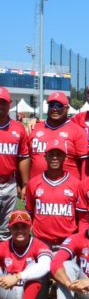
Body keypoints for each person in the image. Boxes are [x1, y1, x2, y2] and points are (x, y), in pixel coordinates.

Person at [0, 210, 52, 299]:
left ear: (31, 227)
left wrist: (17, 277)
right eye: (15, 227)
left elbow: (45, 265)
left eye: (24, 226)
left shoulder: (40, 245)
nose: (20, 231)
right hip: (10, 298)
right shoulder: (3, 246)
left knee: (36, 269)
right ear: (9, 229)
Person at [25, 139, 80, 249]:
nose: (55, 158)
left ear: (65, 157)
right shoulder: (33, 183)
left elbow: (80, 217)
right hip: (41, 242)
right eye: (51, 154)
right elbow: (30, 212)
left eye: (59, 155)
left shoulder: (76, 184)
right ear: (45, 157)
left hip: (67, 242)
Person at [28, 91, 89, 180]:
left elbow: (84, 163)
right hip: (37, 185)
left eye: (59, 105)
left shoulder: (77, 131)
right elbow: (25, 159)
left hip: (68, 186)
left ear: (67, 108)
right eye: (51, 105)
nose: (54, 109)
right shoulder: (34, 128)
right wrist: (24, 183)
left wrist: (84, 185)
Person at [0, 87, 30, 239]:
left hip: (9, 183)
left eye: (3, 102)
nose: (0, 106)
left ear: (9, 104)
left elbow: (23, 157)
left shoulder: (18, 128)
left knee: (7, 230)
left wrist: (24, 184)